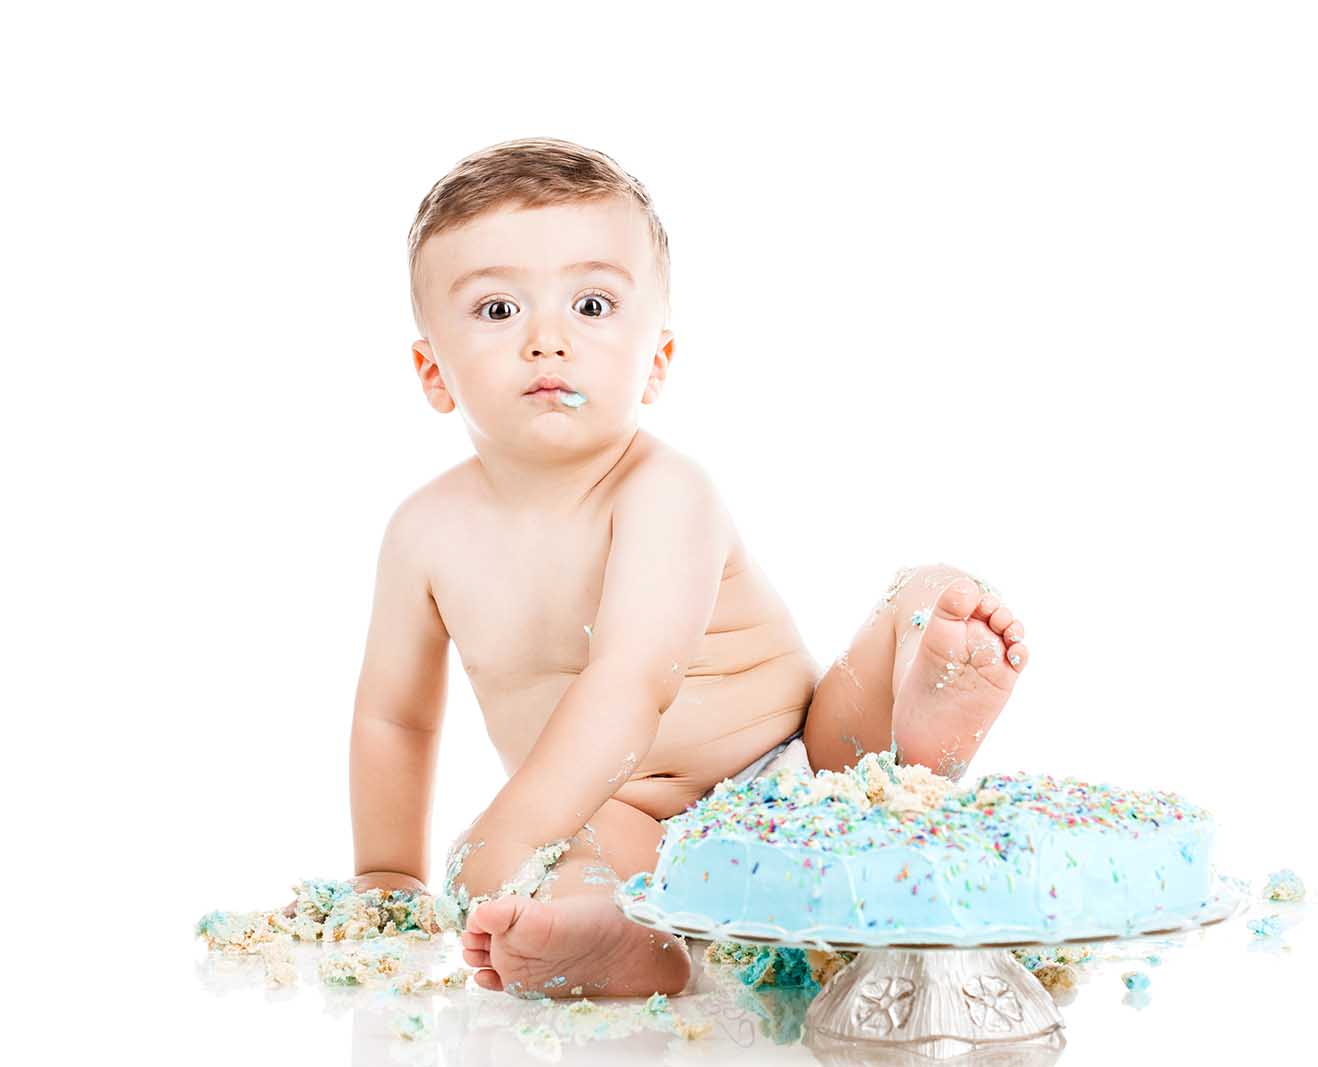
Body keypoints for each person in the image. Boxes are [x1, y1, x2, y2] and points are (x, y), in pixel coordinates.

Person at [346, 137, 1030, 998]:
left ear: (657, 361)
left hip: (796, 766)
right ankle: (619, 936)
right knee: (579, 866)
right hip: (631, 820)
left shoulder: (664, 491)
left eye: (591, 305)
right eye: (497, 311)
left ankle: (918, 730)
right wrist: (387, 873)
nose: (548, 340)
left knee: (922, 595)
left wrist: (506, 834)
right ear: (431, 371)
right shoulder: (423, 533)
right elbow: (394, 720)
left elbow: (632, 681)